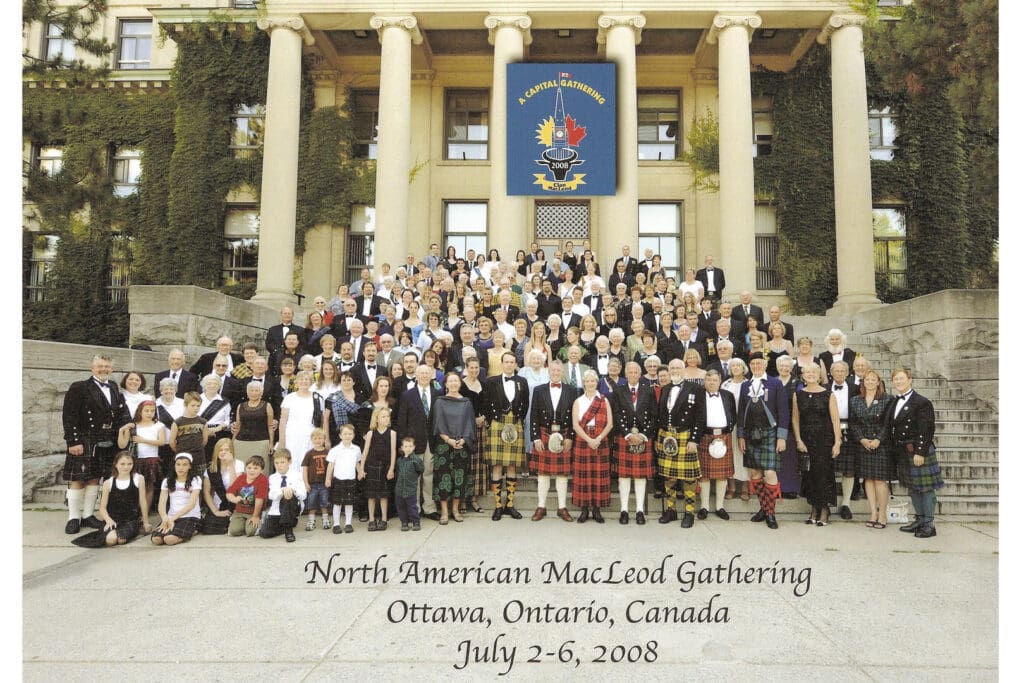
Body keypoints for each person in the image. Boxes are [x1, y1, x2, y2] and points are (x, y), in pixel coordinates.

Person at [61, 354, 132, 534]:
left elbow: (120, 411)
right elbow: (69, 416)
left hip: (107, 439)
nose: (103, 369)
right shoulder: (80, 387)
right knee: (78, 479)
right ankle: (73, 517)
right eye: (100, 366)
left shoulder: (114, 387)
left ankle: (87, 515)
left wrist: (127, 425)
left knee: (95, 477)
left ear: (112, 369)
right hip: (85, 439)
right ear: (92, 368)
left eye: (107, 366)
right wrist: (73, 440)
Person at [886, 367, 944, 538]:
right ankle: (919, 519)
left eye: (902, 378)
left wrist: (920, 452)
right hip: (903, 452)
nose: (899, 382)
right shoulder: (895, 401)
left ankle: (929, 525)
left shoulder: (921, 402)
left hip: (917, 451)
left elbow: (926, 430)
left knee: (925, 488)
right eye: (896, 379)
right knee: (913, 487)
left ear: (910, 380)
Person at [737, 355, 791, 530]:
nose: (756, 366)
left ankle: (770, 513)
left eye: (759, 363)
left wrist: (782, 436)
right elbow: (740, 413)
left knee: (769, 473)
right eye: (752, 363)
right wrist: (741, 435)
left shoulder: (775, 384)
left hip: (770, 433)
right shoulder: (745, 385)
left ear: (765, 364)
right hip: (751, 433)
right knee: (755, 474)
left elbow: (783, 411)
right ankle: (764, 507)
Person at [483, 351, 531, 520]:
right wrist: (493, 420)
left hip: (515, 423)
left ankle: (509, 505)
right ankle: (497, 506)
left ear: (516, 364)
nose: (509, 364)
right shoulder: (491, 381)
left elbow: (525, 403)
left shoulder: (522, 382)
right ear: (502, 364)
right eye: (506, 362)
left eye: (512, 362)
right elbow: (486, 403)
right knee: (497, 465)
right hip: (497, 423)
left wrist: (517, 418)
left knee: (512, 465)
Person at [793, 363, 841, 526]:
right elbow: (795, 419)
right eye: (808, 372)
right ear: (803, 375)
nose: (811, 374)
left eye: (814, 372)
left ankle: (825, 510)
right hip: (806, 441)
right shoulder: (798, 395)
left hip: (824, 440)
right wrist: (799, 440)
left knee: (823, 475)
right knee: (809, 475)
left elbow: (835, 420)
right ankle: (814, 508)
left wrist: (837, 442)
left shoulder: (828, 394)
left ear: (819, 375)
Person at [655, 359, 701, 527]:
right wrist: (658, 437)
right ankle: (671, 510)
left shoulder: (695, 388)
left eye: (677, 367)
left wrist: (694, 439)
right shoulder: (666, 388)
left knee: (689, 478)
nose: (674, 370)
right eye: (672, 367)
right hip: (667, 436)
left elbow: (700, 416)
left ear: (684, 370)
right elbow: (660, 415)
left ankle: (689, 512)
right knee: (669, 477)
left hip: (685, 436)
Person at [611, 362, 657, 525]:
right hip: (625, 437)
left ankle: (639, 510)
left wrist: (644, 435)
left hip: (643, 437)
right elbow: (616, 415)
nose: (632, 374)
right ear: (626, 374)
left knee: (640, 476)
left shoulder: (648, 391)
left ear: (639, 374)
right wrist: (628, 434)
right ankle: (624, 510)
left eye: (635, 372)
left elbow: (653, 416)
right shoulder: (618, 391)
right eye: (629, 372)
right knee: (624, 476)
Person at [429, 372, 476, 524]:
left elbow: (470, 424)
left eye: (456, 381)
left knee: (459, 478)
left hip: (461, 445)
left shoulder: (466, 402)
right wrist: (448, 440)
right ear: (446, 384)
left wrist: (463, 439)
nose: (454, 384)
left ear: (460, 383)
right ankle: (444, 511)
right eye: (451, 381)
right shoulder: (439, 402)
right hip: (444, 445)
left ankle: (455, 510)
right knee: (444, 478)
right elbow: (437, 424)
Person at [396, 365, 441, 520]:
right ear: (416, 375)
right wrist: (404, 444)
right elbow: (402, 421)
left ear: (431, 375)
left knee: (428, 475)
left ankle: (429, 508)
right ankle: (413, 509)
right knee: (413, 476)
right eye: (421, 373)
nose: (424, 376)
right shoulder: (407, 395)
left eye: (427, 373)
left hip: (432, 441)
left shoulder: (438, 394)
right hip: (413, 442)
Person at [851, 370, 894, 529]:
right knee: (868, 479)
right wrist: (861, 439)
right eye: (866, 379)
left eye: (873, 379)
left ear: (878, 382)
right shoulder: (855, 400)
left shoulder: (888, 399)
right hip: (863, 444)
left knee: (879, 480)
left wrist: (878, 439)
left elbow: (888, 423)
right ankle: (873, 513)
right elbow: (853, 423)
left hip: (880, 444)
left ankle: (882, 514)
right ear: (863, 382)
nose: (869, 382)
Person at [691, 369, 735, 521]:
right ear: (704, 381)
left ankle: (720, 507)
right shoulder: (698, 396)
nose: (711, 382)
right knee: (704, 475)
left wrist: (727, 430)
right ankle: (704, 507)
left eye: (715, 380)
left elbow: (733, 415)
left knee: (722, 476)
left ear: (720, 381)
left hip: (723, 436)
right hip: (705, 436)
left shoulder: (728, 396)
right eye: (708, 380)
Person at [570, 370, 613, 523]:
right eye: (587, 381)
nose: (590, 384)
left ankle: (597, 510)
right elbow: (575, 425)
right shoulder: (578, 401)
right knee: (583, 477)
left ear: (596, 382)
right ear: (584, 383)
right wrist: (589, 439)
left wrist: (599, 439)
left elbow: (610, 423)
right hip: (583, 439)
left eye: (592, 381)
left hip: (600, 439)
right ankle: (584, 509)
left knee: (598, 477)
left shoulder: (604, 400)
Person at [116, 400, 165, 515]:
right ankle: (133, 513)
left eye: (152, 411)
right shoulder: (133, 426)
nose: (149, 413)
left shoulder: (159, 425)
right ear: (140, 411)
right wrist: (121, 431)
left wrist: (143, 440)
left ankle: (145, 513)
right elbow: (122, 445)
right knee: (134, 487)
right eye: (146, 411)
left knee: (149, 487)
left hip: (151, 460)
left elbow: (162, 442)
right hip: (135, 461)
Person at [94, 451, 149, 546]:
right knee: (111, 540)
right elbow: (102, 508)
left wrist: (146, 522)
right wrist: (108, 520)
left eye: (129, 464)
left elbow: (143, 501)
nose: (126, 467)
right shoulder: (108, 482)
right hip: (113, 519)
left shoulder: (139, 479)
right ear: (116, 464)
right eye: (122, 464)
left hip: (131, 520)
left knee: (121, 540)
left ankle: (133, 530)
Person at [151, 453, 202, 546]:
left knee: (169, 540)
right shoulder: (167, 481)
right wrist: (165, 518)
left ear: (190, 466)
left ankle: (193, 530)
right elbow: (161, 504)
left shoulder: (196, 480)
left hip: (190, 516)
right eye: (178, 464)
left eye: (184, 464)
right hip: (171, 516)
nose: (180, 467)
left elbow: (191, 505)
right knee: (156, 539)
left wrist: (173, 519)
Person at [829, 360, 859, 520]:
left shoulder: (855, 389)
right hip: (829, 432)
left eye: (842, 371)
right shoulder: (825, 388)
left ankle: (846, 503)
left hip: (850, 431)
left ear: (847, 373)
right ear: (831, 373)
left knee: (849, 470)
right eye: (836, 371)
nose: (839, 373)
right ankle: (829, 500)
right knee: (829, 467)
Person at [361, 406, 397, 531]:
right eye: (383, 416)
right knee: (371, 495)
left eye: (388, 416)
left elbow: (393, 452)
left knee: (383, 495)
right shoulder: (371, 433)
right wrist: (361, 468)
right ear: (376, 419)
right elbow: (365, 452)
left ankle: (383, 519)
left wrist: (391, 469)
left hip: (385, 467)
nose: (386, 419)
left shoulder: (392, 433)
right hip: (372, 466)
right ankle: (371, 519)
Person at [721, 357, 750, 501]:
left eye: (739, 365)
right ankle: (731, 487)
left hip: (745, 424)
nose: (736, 368)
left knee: (743, 454)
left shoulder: (749, 384)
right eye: (733, 366)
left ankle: (745, 487)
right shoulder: (725, 384)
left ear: (743, 368)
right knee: (730, 455)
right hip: (729, 425)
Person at [261, 449, 306, 542]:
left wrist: (292, 490)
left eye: (282, 462)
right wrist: (282, 490)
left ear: (289, 462)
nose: (279, 465)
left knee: (288, 496)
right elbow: (271, 496)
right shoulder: (272, 478)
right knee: (264, 533)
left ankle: (288, 531)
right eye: (276, 463)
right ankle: (287, 524)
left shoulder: (297, 475)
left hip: (293, 506)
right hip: (277, 510)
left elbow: (303, 495)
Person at [201, 438, 244, 535]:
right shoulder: (211, 467)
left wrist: (231, 465)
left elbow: (235, 488)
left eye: (226, 450)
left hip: (234, 502)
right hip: (218, 503)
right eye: (220, 450)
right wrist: (215, 511)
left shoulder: (239, 464)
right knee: (208, 529)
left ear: (231, 451)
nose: (223, 452)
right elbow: (206, 492)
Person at [231, 380, 275, 469]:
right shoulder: (240, 406)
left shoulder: (267, 406)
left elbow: (270, 427)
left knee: (260, 468)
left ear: (261, 393)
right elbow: (238, 426)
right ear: (247, 392)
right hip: (241, 443)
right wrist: (232, 442)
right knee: (241, 469)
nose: (253, 393)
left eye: (256, 390)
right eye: (251, 390)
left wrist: (271, 443)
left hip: (261, 443)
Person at [326, 423, 362, 533]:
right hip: (338, 479)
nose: (347, 436)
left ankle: (348, 523)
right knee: (337, 503)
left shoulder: (356, 449)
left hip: (350, 479)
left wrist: (360, 472)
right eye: (345, 434)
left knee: (349, 502)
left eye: (350, 434)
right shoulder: (335, 450)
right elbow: (330, 465)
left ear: (353, 435)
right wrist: (328, 478)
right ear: (340, 436)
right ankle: (336, 524)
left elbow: (357, 463)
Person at [775, 355, 801, 499]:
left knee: (790, 457)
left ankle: (789, 488)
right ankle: (776, 486)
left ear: (791, 368)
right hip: (774, 423)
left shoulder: (797, 383)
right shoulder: (772, 381)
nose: (784, 368)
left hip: (791, 424)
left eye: (787, 366)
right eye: (781, 366)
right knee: (777, 457)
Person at [279, 370, 319, 461]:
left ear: (311, 382)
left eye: (306, 379)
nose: (303, 381)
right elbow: (283, 421)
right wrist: (282, 440)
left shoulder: (317, 398)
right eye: (301, 379)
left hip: (310, 436)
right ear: (296, 382)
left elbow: (322, 420)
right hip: (292, 436)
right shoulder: (289, 398)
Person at [225, 455, 269, 537]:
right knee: (234, 532)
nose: (252, 470)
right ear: (245, 469)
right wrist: (233, 499)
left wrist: (255, 516)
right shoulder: (241, 478)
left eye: (255, 468)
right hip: (240, 511)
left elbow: (259, 500)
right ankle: (238, 522)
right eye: (249, 468)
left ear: (261, 470)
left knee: (250, 532)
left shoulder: (263, 480)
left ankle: (262, 518)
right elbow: (229, 492)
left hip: (254, 511)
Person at [170, 392, 209, 473]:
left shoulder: (203, 422)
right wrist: (179, 451)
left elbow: (204, 441)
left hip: (199, 456)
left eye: (198, 406)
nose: (196, 408)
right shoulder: (178, 422)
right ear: (185, 405)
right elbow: (172, 442)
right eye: (193, 405)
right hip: (183, 457)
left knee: (200, 478)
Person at [302, 428, 332, 531]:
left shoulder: (328, 452)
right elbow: (305, 469)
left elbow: (331, 467)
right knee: (311, 503)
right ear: (311, 439)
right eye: (315, 438)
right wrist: (306, 483)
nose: (317, 440)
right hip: (313, 483)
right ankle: (311, 521)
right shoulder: (309, 454)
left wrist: (330, 479)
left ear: (324, 439)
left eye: (320, 438)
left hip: (324, 483)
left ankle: (325, 519)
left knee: (324, 502)